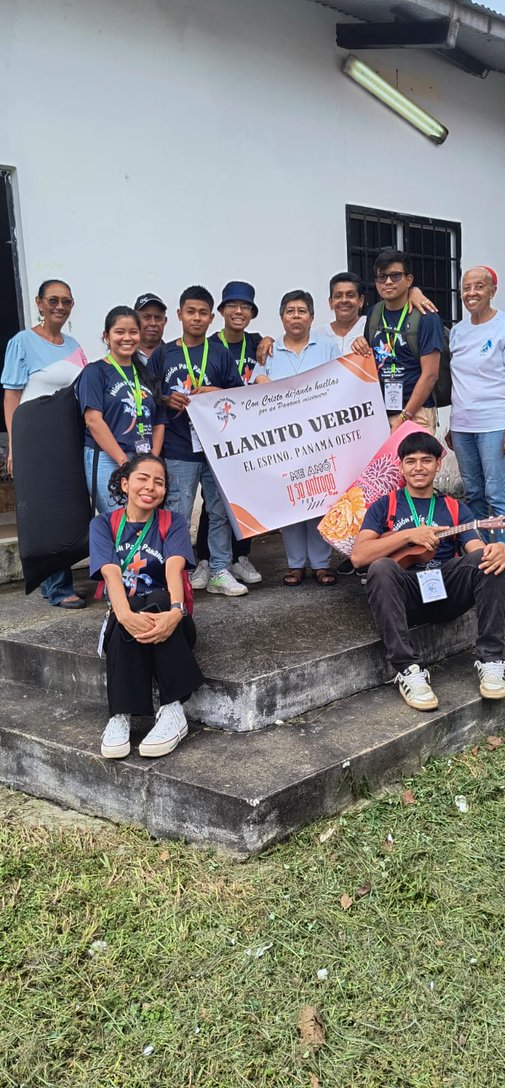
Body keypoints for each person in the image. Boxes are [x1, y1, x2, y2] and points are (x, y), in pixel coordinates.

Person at [352, 431, 505, 710]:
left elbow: (474, 547)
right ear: (400, 466)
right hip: (407, 595)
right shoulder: (385, 505)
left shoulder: (453, 507)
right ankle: (407, 670)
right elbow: (358, 557)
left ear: (438, 464)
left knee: (489, 559)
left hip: (446, 590)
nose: (418, 467)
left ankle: (492, 661)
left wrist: (496, 550)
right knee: (380, 567)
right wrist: (407, 536)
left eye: (426, 460)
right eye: (410, 461)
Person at [89, 454, 203, 759]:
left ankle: (173, 709)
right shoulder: (103, 524)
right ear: (125, 483)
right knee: (128, 609)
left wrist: (176, 612)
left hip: (169, 614)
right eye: (143, 478)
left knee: (159, 600)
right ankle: (121, 716)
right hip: (126, 616)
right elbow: (111, 572)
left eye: (159, 482)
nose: (151, 487)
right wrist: (124, 614)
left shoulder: (173, 522)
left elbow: (174, 568)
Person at [149, 286, 248, 597]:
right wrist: (166, 399)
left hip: (216, 448)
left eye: (203, 313)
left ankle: (220, 568)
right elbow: (149, 399)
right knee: (178, 510)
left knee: (219, 510)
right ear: (179, 315)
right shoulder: (163, 354)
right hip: (178, 448)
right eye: (190, 312)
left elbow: (240, 396)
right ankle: (179, 570)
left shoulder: (220, 353)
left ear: (211, 316)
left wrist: (214, 393)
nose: (196, 318)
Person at [1, 279, 87, 608]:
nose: (60, 306)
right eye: (53, 300)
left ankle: (63, 577)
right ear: (39, 302)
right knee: (47, 512)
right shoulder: (22, 342)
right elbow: (11, 396)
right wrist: (15, 445)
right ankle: (56, 586)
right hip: (35, 441)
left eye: (66, 301)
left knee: (66, 509)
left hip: (67, 437)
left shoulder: (74, 344)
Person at [447, 266, 505, 588]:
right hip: (463, 424)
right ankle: (483, 556)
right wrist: (452, 424)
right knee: (474, 494)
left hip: (495, 422)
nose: (471, 293)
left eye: (479, 286)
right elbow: (458, 380)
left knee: (498, 493)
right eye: (466, 287)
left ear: (493, 290)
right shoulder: (458, 331)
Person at [253, 289, 340, 585]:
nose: (296, 316)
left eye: (302, 311)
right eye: (290, 311)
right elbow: (254, 390)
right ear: (281, 317)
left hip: (321, 437)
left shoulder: (328, 347)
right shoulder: (269, 350)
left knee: (320, 495)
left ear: (312, 317)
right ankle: (295, 564)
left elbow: (342, 383)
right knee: (290, 501)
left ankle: (321, 563)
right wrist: (260, 381)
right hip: (283, 442)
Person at [192, 280, 264, 589]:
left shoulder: (259, 342)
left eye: (245, 307)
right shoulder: (209, 345)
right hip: (216, 432)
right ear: (220, 311)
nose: (238, 311)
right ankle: (206, 560)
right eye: (232, 306)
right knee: (214, 499)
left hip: (249, 432)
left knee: (245, 494)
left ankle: (240, 556)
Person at [78, 307, 162, 514]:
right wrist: (124, 463)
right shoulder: (94, 372)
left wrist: (152, 460)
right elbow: (93, 420)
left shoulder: (146, 373)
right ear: (106, 336)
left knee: (143, 519)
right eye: (119, 332)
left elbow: (159, 420)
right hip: (108, 458)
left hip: (142, 457)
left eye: (133, 332)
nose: (127, 338)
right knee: (119, 520)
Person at [353, 249, 444, 435]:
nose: (387, 282)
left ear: (409, 280)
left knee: (416, 465)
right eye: (382, 276)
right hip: (380, 415)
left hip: (416, 413)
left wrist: (405, 415)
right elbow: (371, 359)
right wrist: (359, 344)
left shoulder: (426, 316)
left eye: (395, 276)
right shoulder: (374, 313)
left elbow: (430, 375)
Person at [318, 271, 436, 355]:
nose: (344, 300)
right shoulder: (318, 336)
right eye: (338, 296)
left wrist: (414, 291)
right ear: (330, 302)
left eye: (350, 295)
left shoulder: (373, 325)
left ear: (361, 301)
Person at [134, 293, 168, 365]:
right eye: (146, 317)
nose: (153, 323)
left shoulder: (174, 356)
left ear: (165, 321)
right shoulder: (124, 357)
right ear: (135, 320)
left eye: (158, 317)